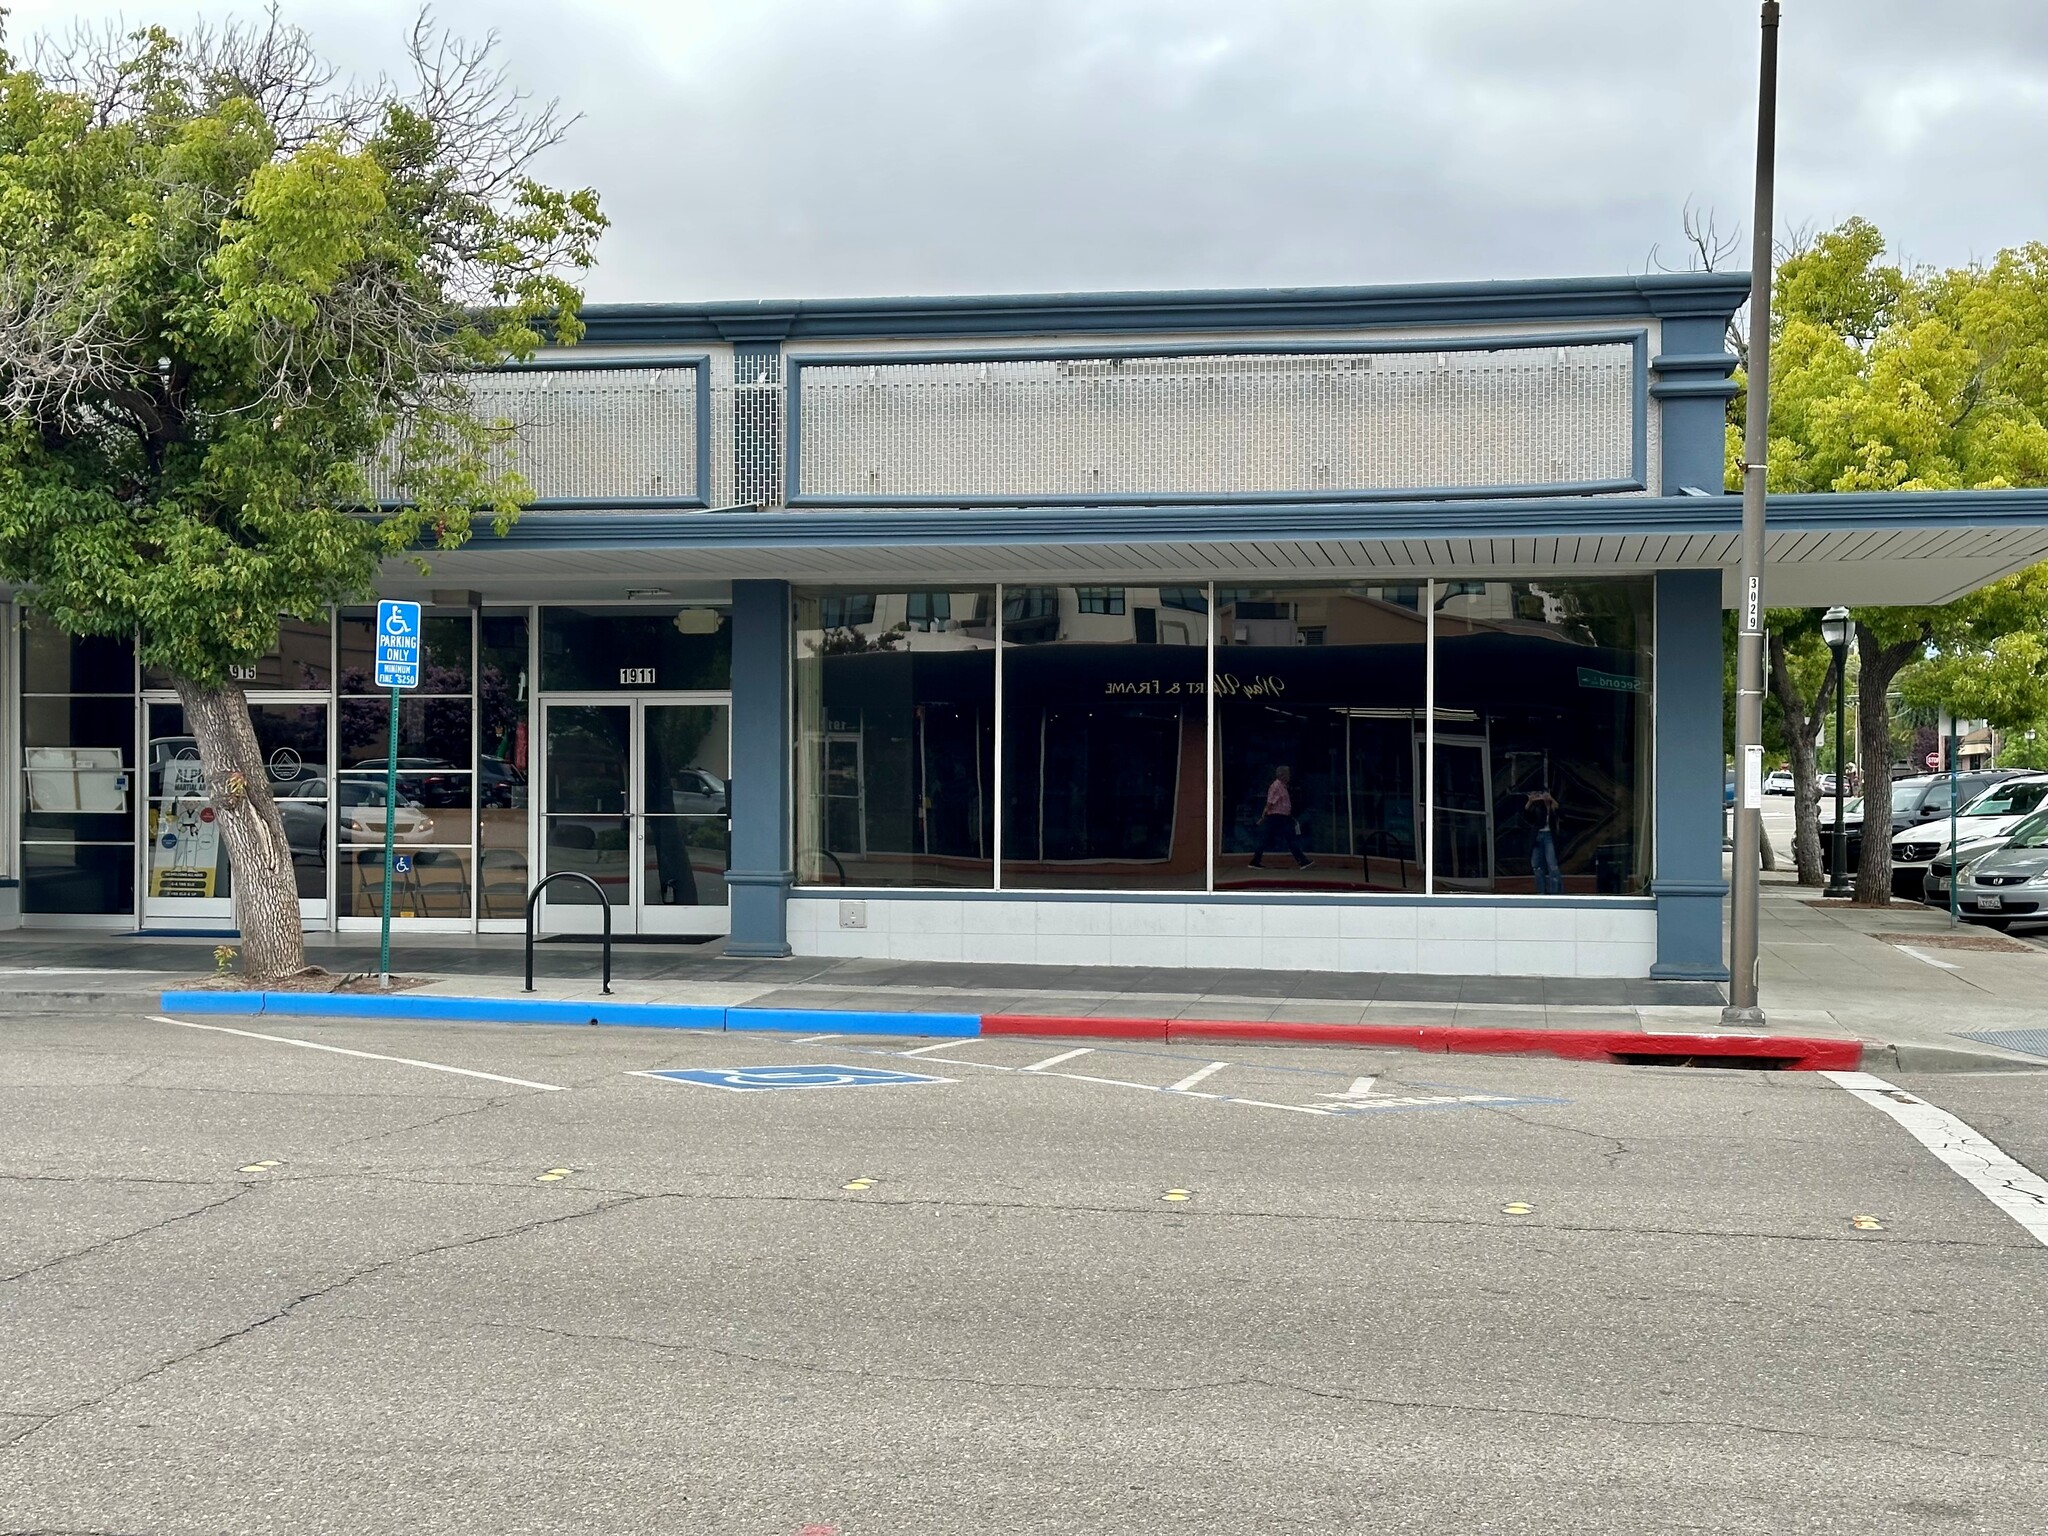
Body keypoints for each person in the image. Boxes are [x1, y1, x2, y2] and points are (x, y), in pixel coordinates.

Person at [1249, 765, 1312, 870]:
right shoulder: (1276, 786)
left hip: (1283, 817)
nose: (1289, 776)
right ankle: (1302, 861)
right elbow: (1270, 802)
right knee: (1287, 838)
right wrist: (1263, 816)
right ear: (1282, 775)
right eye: (1288, 774)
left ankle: (1302, 861)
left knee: (1281, 838)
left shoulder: (1282, 786)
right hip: (1276, 817)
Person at [1524, 786, 1563, 894]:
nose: (1543, 796)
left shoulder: (1553, 805)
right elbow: (1527, 816)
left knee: (1552, 864)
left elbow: (1561, 813)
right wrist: (1530, 801)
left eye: (1545, 793)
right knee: (1537, 865)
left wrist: (1551, 799)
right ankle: (1540, 892)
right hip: (1537, 836)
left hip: (1549, 835)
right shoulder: (1537, 806)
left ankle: (1556, 892)